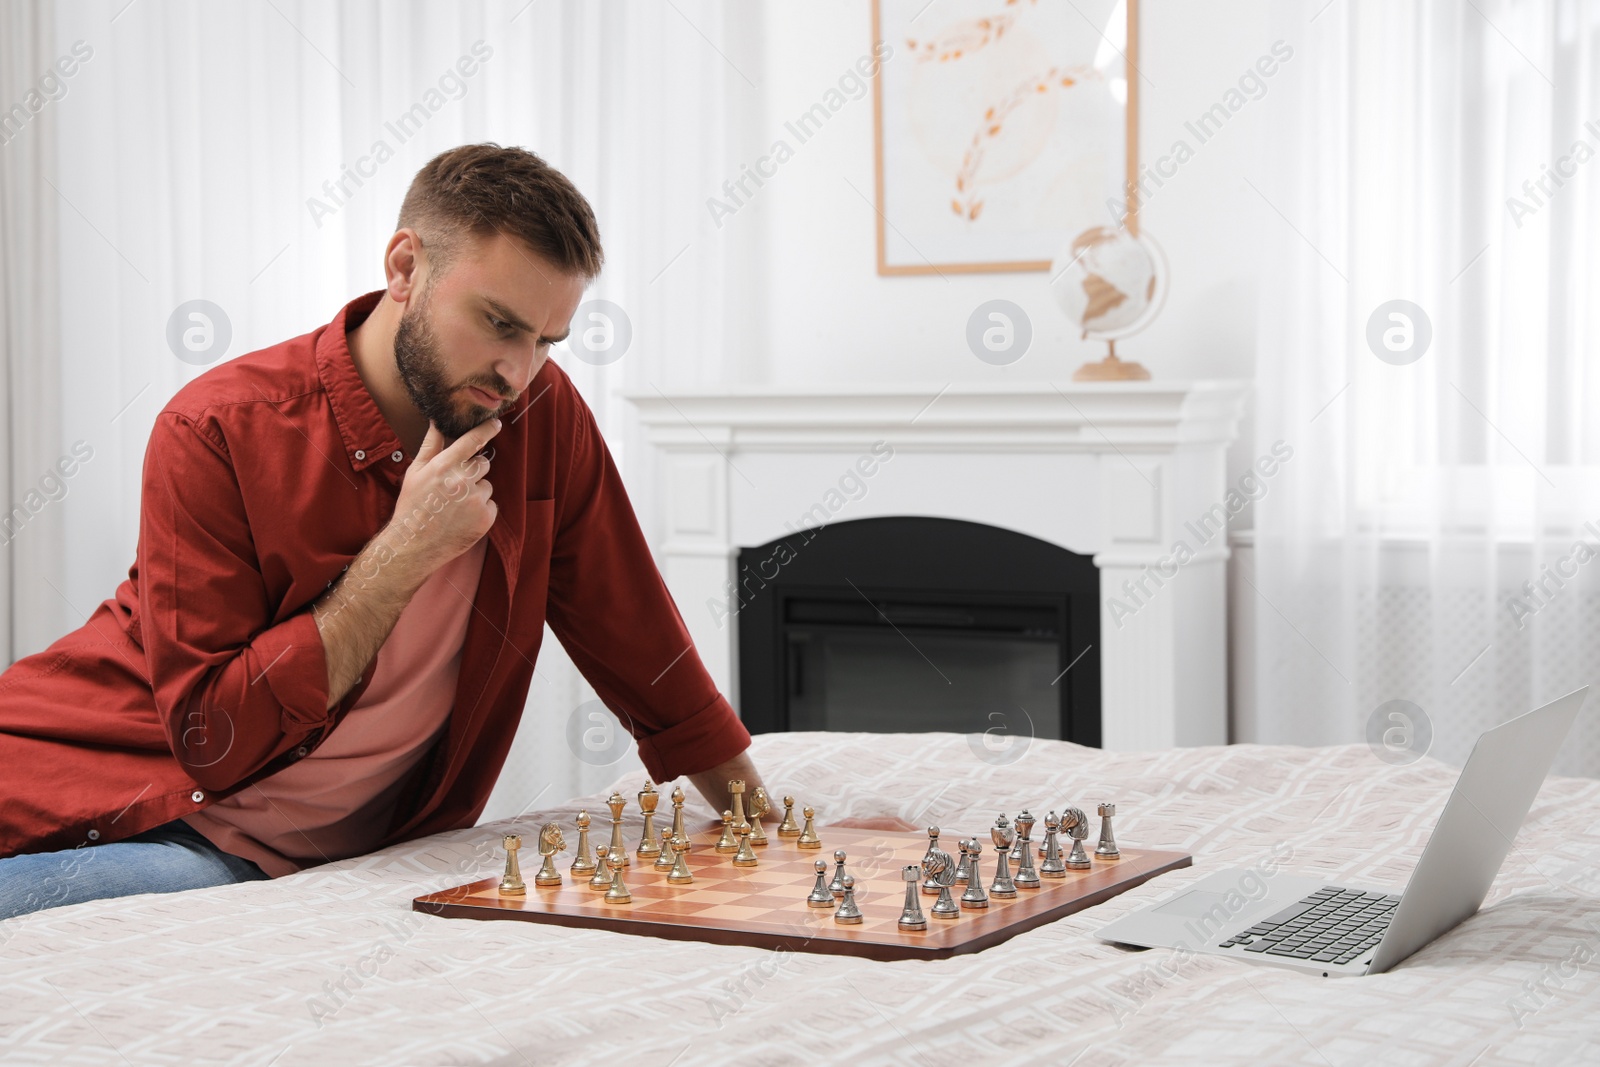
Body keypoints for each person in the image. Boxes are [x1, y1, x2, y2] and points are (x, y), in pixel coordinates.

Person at [0, 143, 765, 921]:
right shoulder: (219, 428)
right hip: (127, 789)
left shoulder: (542, 417)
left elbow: (638, 640)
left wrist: (768, 829)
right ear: (405, 267)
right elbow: (211, 736)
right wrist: (405, 551)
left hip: (250, 859)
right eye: (498, 322)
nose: (518, 370)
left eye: (544, 341)